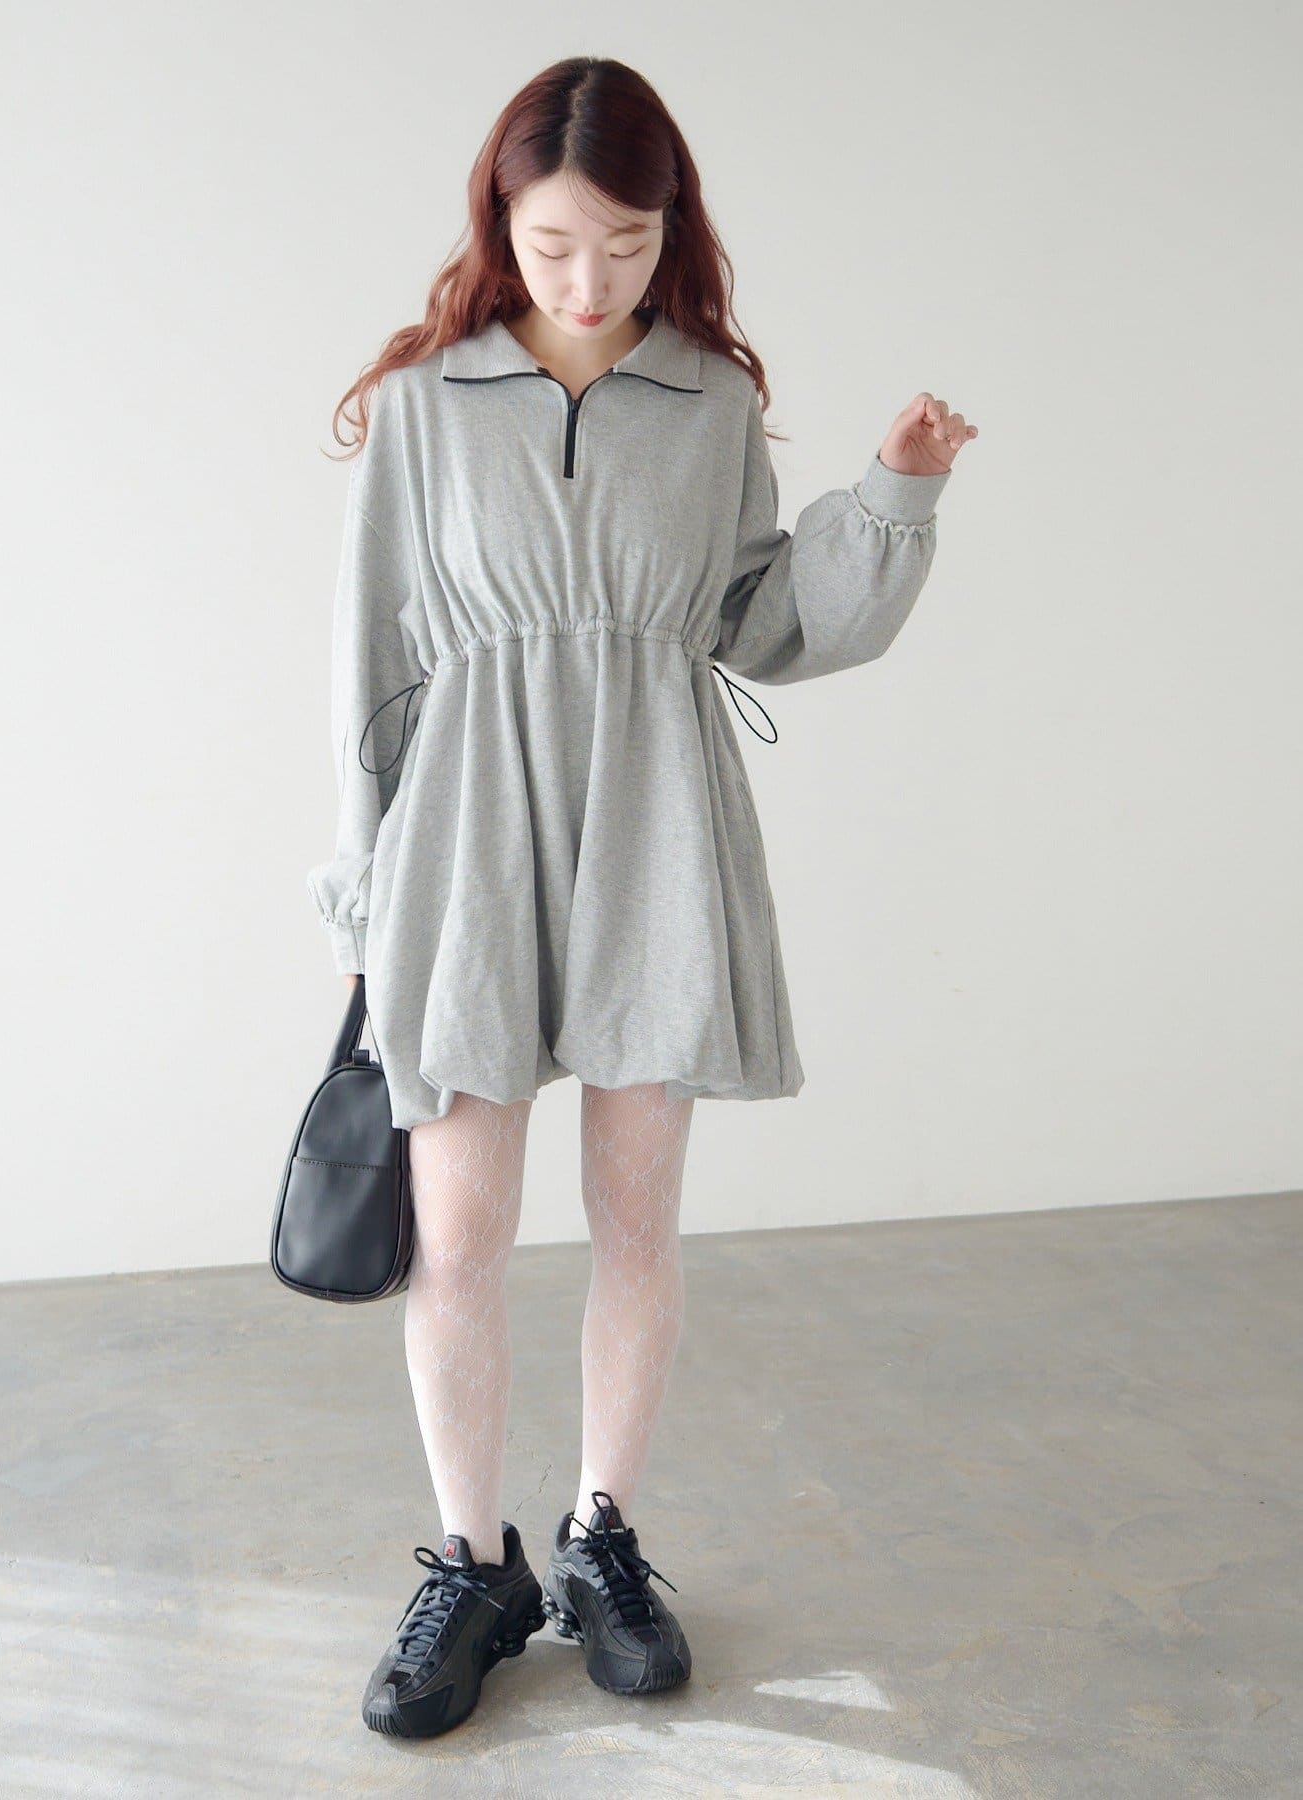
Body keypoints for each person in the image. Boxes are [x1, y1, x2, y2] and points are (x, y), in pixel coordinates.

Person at [305, 56, 976, 1741]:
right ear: (500, 225)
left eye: (623, 242)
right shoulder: (425, 404)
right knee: (458, 1235)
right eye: (552, 245)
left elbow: (765, 621)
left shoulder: (709, 401)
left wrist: (894, 492)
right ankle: (473, 1565)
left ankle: (602, 1539)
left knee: (634, 1220)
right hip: (464, 843)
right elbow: (373, 666)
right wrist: (366, 900)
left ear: (670, 230)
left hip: (657, 831)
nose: (588, 277)